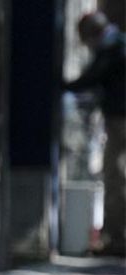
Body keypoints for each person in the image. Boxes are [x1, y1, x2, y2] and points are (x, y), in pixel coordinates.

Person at [65, 11, 126, 256]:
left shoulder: (113, 48)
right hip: (118, 118)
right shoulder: (117, 45)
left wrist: (63, 86)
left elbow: (93, 77)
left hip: (120, 119)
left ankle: (117, 238)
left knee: (114, 176)